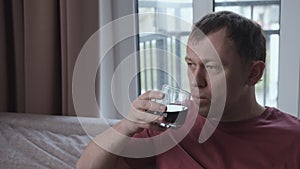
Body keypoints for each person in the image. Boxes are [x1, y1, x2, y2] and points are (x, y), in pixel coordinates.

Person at [76, 11, 300, 169]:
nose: (196, 80)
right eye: (191, 64)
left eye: (211, 67)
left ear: (253, 73)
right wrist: (126, 126)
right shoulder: (171, 121)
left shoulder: (292, 138)